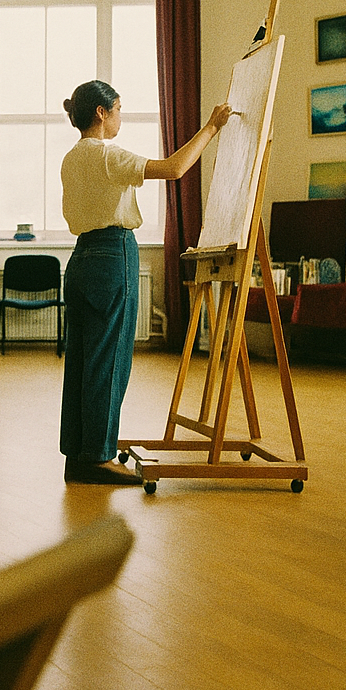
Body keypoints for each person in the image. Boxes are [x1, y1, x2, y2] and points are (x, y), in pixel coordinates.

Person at [60, 80, 232, 484]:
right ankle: (100, 457)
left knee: (83, 361)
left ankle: (78, 454)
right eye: (118, 108)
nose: (121, 115)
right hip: (112, 255)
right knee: (110, 360)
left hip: (81, 258)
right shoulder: (107, 155)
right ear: (101, 113)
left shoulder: (71, 158)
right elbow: (173, 168)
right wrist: (211, 127)